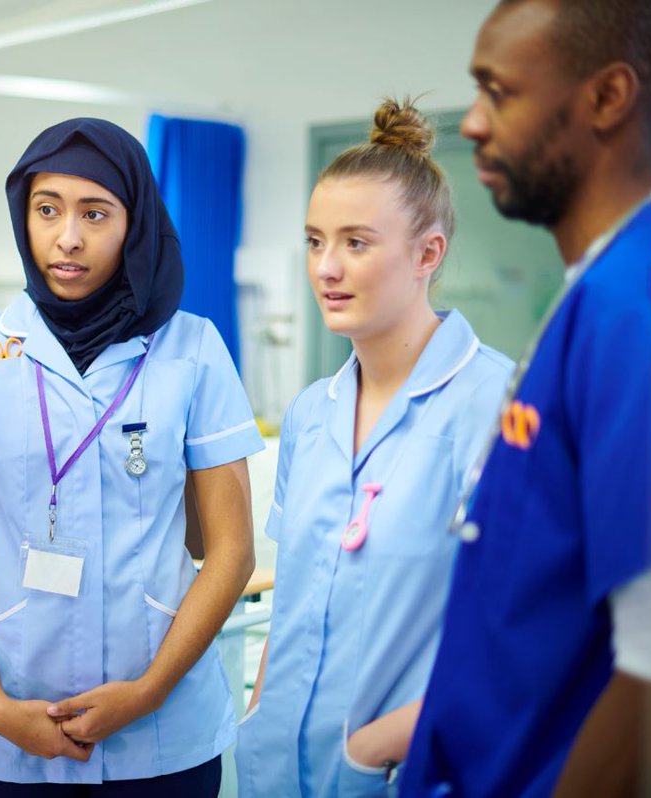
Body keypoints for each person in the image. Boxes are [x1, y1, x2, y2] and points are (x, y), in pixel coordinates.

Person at [0, 117, 264, 795]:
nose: (67, 237)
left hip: (161, 734)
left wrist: (149, 691)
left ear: (134, 223)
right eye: (47, 210)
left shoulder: (192, 348)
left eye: (95, 214)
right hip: (7, 724)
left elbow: (231, 551)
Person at [399, 1, 651, 796]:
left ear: (608, 97)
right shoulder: (596, 290)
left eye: (499, 92)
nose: (472, 123)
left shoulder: (640, 305)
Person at [232, 99, 512, 797]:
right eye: (314, 241)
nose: (326, 268)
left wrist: (373, 747)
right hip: (277, 768)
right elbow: (295, 597)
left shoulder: (498, 408)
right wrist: (259, 712)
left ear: (428, 254)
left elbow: (526, 638)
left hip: (393, 771)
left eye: (356, 243)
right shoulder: (310, 415)